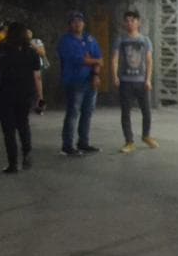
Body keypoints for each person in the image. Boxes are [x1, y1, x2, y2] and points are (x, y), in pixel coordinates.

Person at [0, 22, 42, 173]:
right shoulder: (31, 52)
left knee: (8, 129)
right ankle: (27, 153)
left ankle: (12, 164)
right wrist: (40, 98)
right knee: (23, 124)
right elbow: (37, 77)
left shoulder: (2, 48)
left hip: (5, 93)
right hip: (25, 93)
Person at [57, 11, 103, 156]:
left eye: (80, 21)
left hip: (90, 81)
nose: (78, 24)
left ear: (84, 23)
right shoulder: (65, 41)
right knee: (73, 113)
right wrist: (92, 60)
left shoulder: (90, 39)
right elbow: (77, 59)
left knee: (87, 113)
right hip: (74, 82)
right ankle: (67, 145)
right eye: (74, 21)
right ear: (70, 24)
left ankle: (83, 142)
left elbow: (99, 58)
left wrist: (95, 74)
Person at [112, 9, 157, 153]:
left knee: (146, 111)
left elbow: (149, 61)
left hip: (141, 81)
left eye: (133, 20)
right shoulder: (121, 40)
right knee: (126, 112)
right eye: (127, 21)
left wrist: (148, 79)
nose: (130, 23)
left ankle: (146, 135)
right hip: (125, 81)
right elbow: (115, 59)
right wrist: (115, 76)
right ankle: (129, 141)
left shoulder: (145, 40)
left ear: (139, 22)